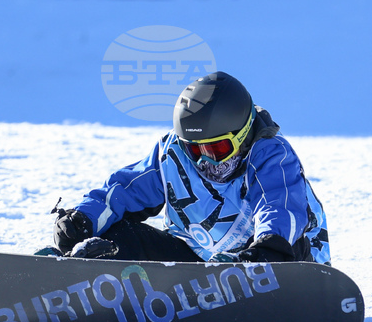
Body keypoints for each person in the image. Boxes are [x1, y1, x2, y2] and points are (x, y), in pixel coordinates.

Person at [49, 72, 331, 265]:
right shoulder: (173, 153)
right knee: (118, 235)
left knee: (286, 249)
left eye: (217, 149)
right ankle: (82, 277)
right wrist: (83, 220)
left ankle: (278, 290)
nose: (204, 162)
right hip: (199, 266)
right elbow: (126, 189)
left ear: (243, 134)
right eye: (195, 149)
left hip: (273, 258)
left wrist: (266, 251)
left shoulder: (271, 156)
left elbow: (278, 205)